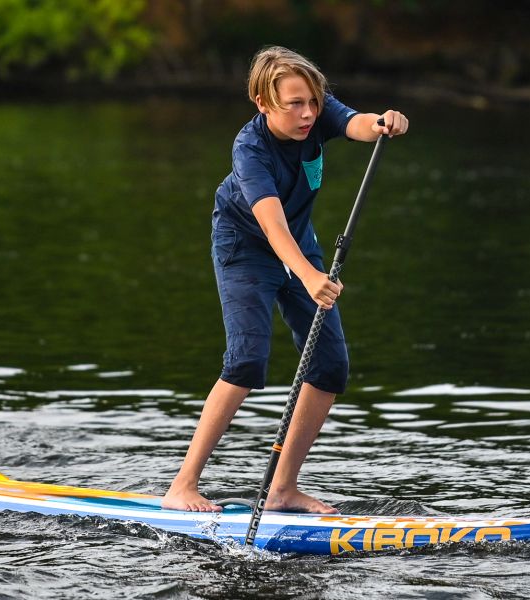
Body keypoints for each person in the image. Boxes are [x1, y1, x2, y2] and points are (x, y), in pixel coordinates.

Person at [162, 46, 410, 514]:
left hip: (301, 244)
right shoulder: (249, 150)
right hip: (246, 247)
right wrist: (311, 275)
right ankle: (182, 485)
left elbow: (355, 122)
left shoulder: (317, 110)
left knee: (331, 367)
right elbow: (271, 225)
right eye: (294, 104)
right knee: (246, 362)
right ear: (262, 102)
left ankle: (281, 489)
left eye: (313, 102)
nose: (307, 113)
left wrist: (382, 122)